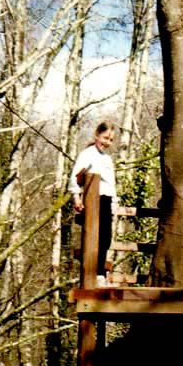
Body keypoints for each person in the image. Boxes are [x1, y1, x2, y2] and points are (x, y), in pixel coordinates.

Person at [69, 122, 117, 288]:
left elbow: (111, 184)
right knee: (95, 238)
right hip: (93, 199)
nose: (107, 142)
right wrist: (76, 197)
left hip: (106, 199)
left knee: (106, 238)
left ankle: (100, 274)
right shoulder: (87, 154)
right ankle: (95, 275)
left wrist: (114, 203)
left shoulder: (107, 159)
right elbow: (75, 176)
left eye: (110, 140)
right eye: (105, 138)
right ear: (97, 135)